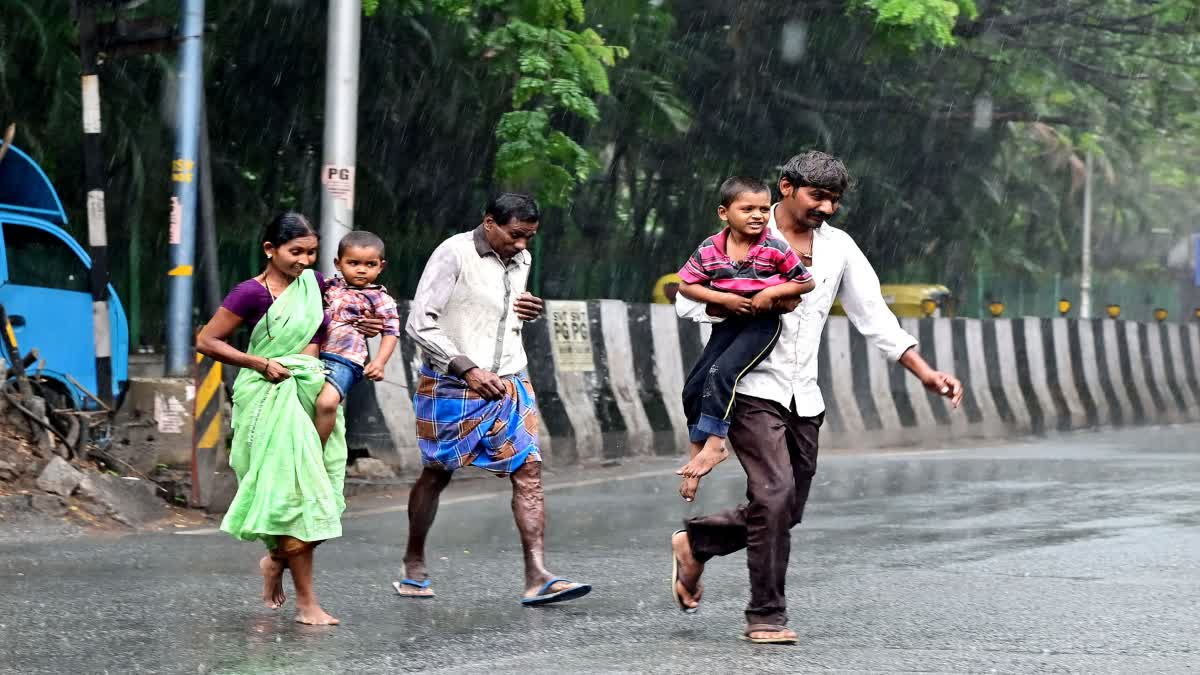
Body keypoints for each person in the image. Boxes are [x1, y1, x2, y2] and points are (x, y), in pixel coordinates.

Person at [669, 151, 964, 644]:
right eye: (817, 196)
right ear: (786, 187)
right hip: (748, 387)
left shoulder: (840, 248)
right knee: (773, 494)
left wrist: (925, 372)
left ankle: (696, 542)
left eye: (834, 200)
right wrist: (742, 302)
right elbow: (685, 300)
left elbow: (874, 316)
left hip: (803, 395)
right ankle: (765, 615)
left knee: (787, 508)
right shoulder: (745, 235)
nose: (826, 208)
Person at [395, 192, 592, 606]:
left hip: (509, 379)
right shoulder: (453, 253)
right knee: (437, 472)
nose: (522, 245)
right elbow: (419, 323)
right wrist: (466, 368)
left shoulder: (522, 260)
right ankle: (413, 561)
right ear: (490, 223)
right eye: (516, 235)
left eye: (530, 238)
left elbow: (502, 312)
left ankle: (537, 575)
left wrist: (527, 310)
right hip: (452, 383)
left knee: (530, 470)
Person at [195, 212, 377, 626]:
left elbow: (331, 324)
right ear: (270, 250)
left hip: (313, 391)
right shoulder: (250, 293)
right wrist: (258, 363)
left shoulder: (313, 285)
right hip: (269, 395)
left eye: (312, 253)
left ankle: (276, 559)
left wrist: (362, 324)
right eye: (296, 252)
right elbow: (206, 340)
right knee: (296, 497)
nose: (304, 261)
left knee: (320, 496)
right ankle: (307, 604)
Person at [674, 176, 815, 499]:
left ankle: (716, 444)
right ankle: (696, 456)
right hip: (728, 323)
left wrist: (772, 292)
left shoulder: (774, 247)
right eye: (747, 208)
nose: (758, 215)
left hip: (762, 325)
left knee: (722, 374)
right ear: (724, 213)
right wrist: (723, 300)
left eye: (764, 209)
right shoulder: (710, 248)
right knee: (693, 387)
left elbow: (805, 282)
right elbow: (686, 285)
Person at [314, 230, 401, 446]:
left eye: (370, 264)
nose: (361, 269)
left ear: (381, 266)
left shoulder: (381, 298)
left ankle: (315, 451)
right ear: (338, 263)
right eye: (353, 263)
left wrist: (379, 363)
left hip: (346, 360)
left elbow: (391, 331)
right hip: (313, 355)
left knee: (327, 403)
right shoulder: (328, 287)